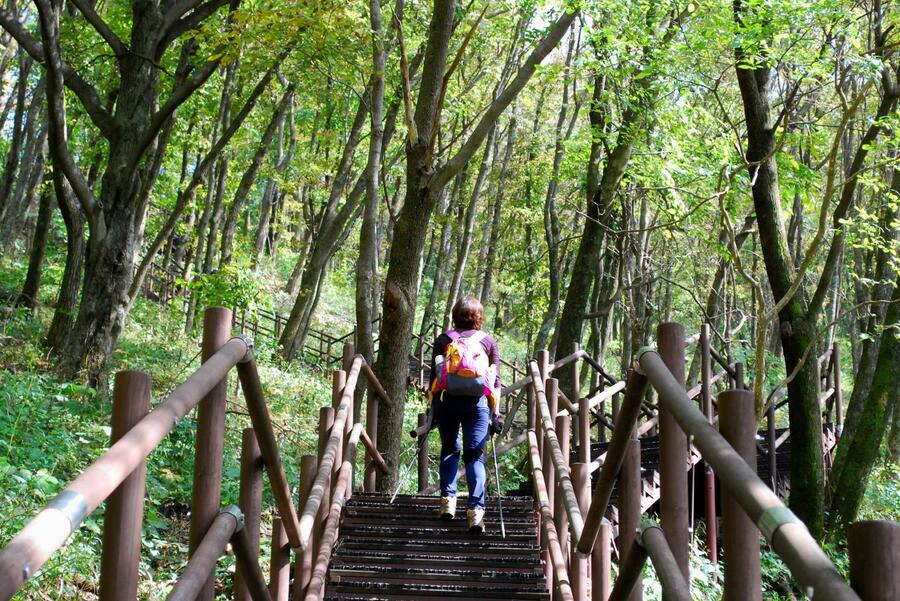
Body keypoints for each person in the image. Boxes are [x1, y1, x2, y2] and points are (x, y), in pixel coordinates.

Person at [429, 296, 502, 533]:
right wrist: (496, 413)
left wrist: (433, 408)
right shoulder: (488, 342)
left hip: (447, 402)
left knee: (449, 449)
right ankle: (475, 513)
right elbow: (495, 381)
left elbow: (435, 377)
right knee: (474, 456)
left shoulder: (443, 340)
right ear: (479, 317)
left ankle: (447, 503)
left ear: (454, 315)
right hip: (478, 405)